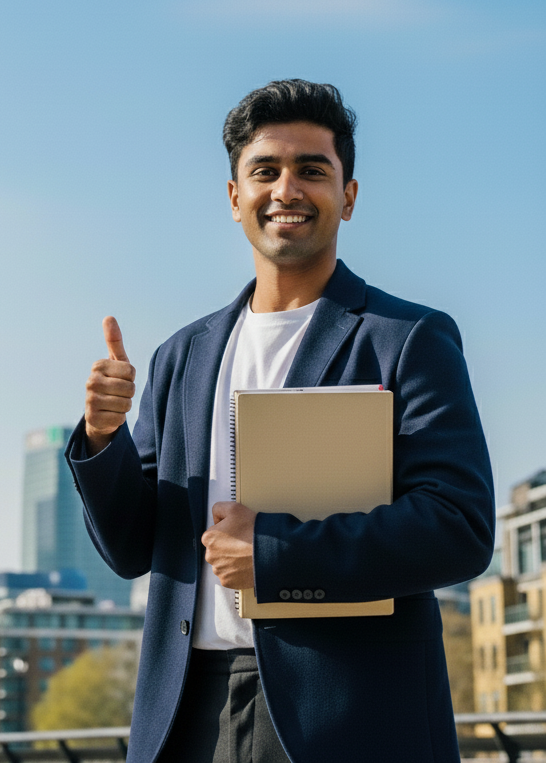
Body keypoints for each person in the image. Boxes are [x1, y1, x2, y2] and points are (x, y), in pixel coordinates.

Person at [67, 80, 495, 763]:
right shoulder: (181, 355)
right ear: (234, 196)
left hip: (348, 716)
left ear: (348, 195)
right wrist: (102, 436)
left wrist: (271, 555)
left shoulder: (408, 338)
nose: (286, 189)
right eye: (264, 171)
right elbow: (131, 549)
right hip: (188, 714)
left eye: (312, 170)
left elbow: (459, 528)